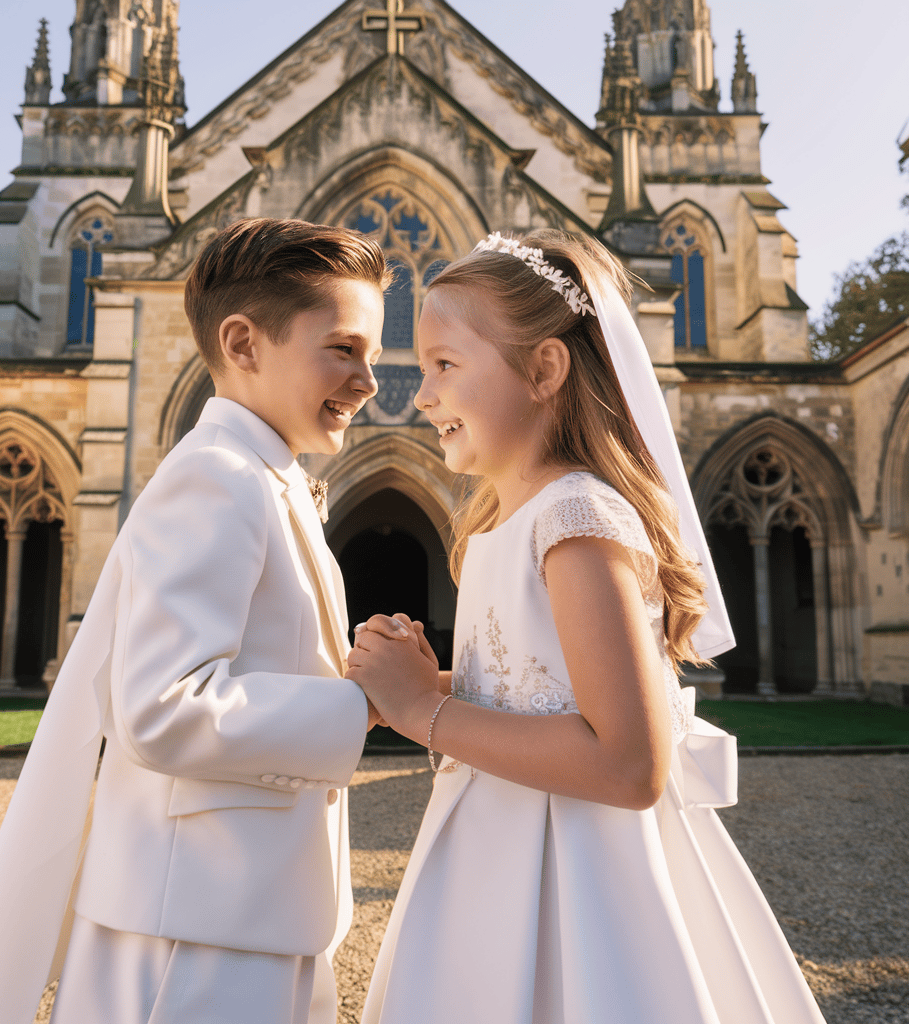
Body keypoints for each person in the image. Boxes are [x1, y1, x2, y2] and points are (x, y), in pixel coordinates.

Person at [348, 229, 827, 1024]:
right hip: (493, 851)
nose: (420, 395)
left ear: (544, 370)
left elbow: (630, 762)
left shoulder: (576, 517)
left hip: (575, 874)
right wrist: (416, 683)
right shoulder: (511, 519)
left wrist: (422, 710)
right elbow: (537, 686)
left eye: (444, 365)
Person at [0, 218, 389, 1024]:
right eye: (344, 349)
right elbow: (161, 706)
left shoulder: (264, 475)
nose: (369, 381)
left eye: (372, 355)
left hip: (246, 908)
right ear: (242, 343)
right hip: (190, 931)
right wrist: (364, 703)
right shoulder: (218, 476)